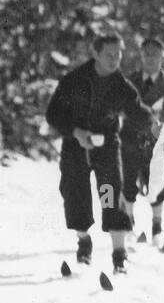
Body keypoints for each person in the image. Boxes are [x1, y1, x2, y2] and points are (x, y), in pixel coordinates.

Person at [45, 32, 157, 274]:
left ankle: (119, 254)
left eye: (118, 55)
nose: (115, 60)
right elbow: (53, 114)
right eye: (109, 55)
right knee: (76, 196)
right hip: (75, 147)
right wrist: (74, 132)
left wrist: (155, 122)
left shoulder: (121, 86)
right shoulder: (73, 80)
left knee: (110, 195)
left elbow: (137, 111)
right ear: (95, 53)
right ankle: (84, 242)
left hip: (106, 147)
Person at [122, 37, 164, 246]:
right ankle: (128, 226)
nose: (150, 59)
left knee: (159, 185)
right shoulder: (129, 81)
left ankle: (157, 229)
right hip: (130, 139)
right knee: (127, 182)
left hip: (157, 143)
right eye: (147, 54)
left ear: (162, 57)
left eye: (155, 55)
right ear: (141, 56)